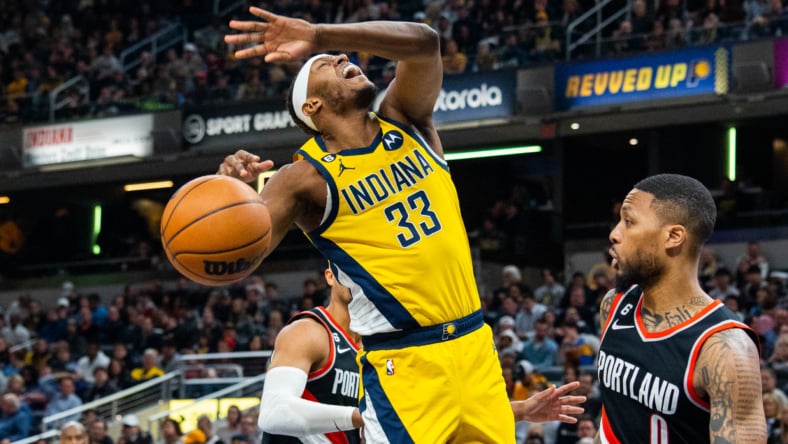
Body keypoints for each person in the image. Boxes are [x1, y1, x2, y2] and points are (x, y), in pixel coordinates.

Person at [221, 7, 583, 443]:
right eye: (325, 65)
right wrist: (229, 195)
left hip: (475, 349)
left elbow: (425, 43)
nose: (341, 57)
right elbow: (235, 258)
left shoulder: (406, 119)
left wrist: (319, 36)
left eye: (338, 55)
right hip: (404, 366)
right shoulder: (303, 178)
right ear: (312, 106)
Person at [599, 173, 766, 442]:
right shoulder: (613, 306)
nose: (614, 234)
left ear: (674, 236)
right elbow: (613, 422)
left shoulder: (725, 349)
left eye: (629, 222)